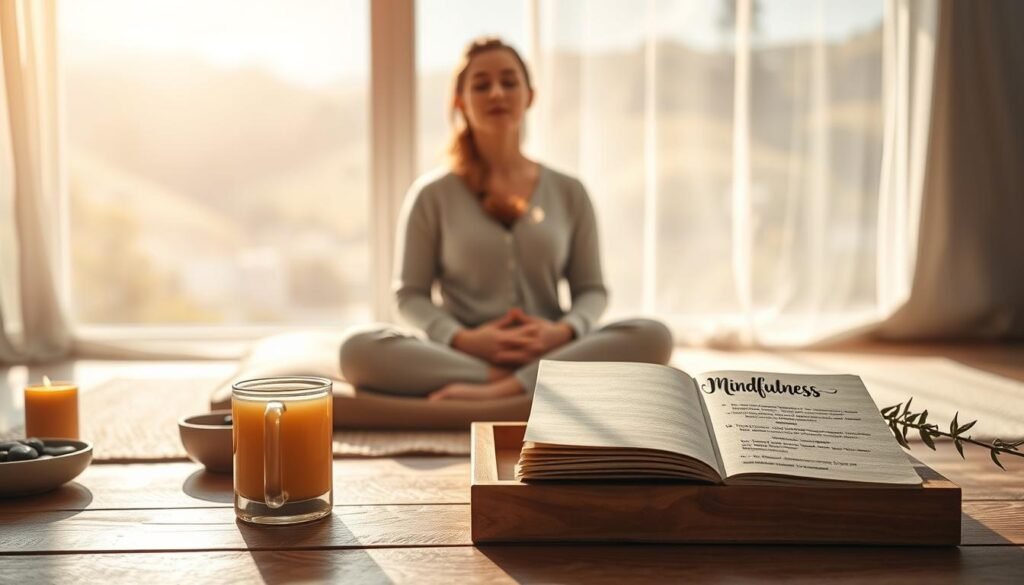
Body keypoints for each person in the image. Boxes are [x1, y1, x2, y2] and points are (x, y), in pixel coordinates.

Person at [340, 37, 672, 401]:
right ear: (459, 101)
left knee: (654, 335)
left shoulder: (569, 191)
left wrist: (562, 333)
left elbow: (591, 290)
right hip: (461, 354)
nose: (496, 93)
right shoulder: (431, 195)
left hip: (553, 350)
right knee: (358, 350)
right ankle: (528, 386)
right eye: (481, 85)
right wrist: (465, 339)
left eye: (509, 82)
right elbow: (410, 295)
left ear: (530, 96)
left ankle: (504, 389)